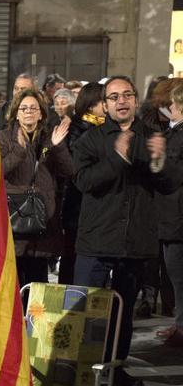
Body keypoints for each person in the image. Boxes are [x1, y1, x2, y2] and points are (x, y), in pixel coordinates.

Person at [72, 75, 179, 386]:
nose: (122, 101)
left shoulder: (153, 135)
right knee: (86, 310)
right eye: (115, 96)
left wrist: (159, 163)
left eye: (127, 95)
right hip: (96, 240)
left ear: (135, 100)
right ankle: (81, 371)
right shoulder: (90, 140)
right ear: (104, 104)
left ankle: (115, 369)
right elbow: (84, 182)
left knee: (123, 314)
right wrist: (117, 159)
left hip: (134, 241)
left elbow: (171, 183)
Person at [0, 89, 74, 288]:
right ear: (16, 113)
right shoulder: (3, 138)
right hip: (14, 216)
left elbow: (69, 170)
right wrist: (19, 152)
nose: (28, 112)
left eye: (34, 108)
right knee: (12, 282)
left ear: (41, 113)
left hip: (44, 219)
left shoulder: (51, 137)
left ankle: (33, 319)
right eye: (24, 108)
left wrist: (57, 147)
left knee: (37, 282)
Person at [58, 82, 105, 285]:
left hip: (99, 205)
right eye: (104, 100)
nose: (107, 105)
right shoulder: (76, 128)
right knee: (73, 256)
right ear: (91, 104)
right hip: (77, 203)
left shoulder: (106, 126)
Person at [155, 84, 183, 346]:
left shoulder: (176, 136)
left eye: (174, 104)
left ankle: (181, 327)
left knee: (177, 276)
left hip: (176, 217)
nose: (170, 108)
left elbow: (167, 174)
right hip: (173, 216)